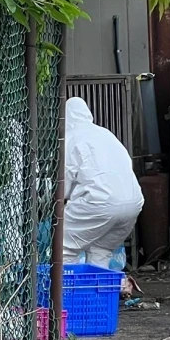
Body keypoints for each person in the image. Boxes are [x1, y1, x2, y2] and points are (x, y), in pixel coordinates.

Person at [63, 96, 144, 268]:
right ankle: (97, 293)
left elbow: (63, 186)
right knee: (101, 250)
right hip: (133, 203)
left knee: (64, 248)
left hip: (99, 203)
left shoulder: (70, 138)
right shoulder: (106, 134)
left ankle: (67, 293)